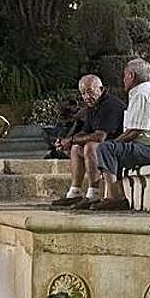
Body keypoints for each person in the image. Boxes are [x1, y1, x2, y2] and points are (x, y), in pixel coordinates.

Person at [88, 58, 150, 211]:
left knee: (106, 148)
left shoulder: (142, 93)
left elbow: (135, 131)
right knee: (111, 148)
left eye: (124, 76)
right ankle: (115, 194)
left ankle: (114, 197)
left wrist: (114, 143)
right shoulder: (142, 92)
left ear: (131, 76)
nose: (123, 80)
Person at [50, 74, 127, 208]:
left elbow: (100, 137)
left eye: (89, 92)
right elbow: (85, 131)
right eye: (83, 93)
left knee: (90, 146)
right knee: (76, 148)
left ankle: (93, 194)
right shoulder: (93, 106)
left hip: (116, 148)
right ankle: (75, 192)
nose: (86, 97)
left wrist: (72, 139)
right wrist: (66, 141)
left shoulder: (110, 105)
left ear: (101, 89)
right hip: (105, 146)